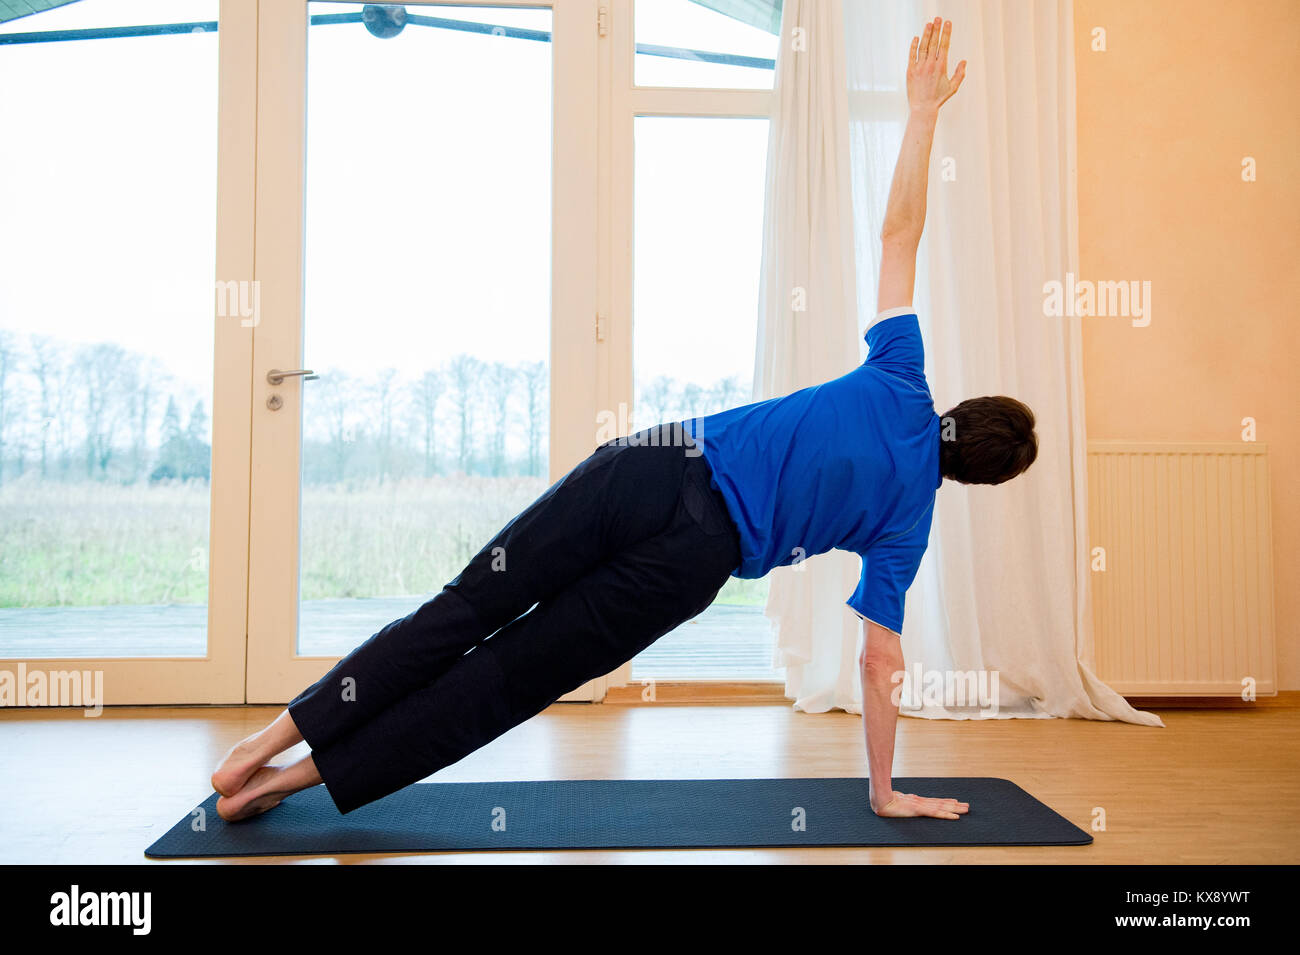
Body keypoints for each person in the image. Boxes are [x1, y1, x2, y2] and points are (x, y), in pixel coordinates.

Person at [212, 18, 1035, 824]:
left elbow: (900, 232)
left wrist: (922, 114)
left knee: (464, 607)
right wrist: (884, 790)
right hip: (693, 558)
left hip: (653, 466)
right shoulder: (909, 522)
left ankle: (262, 742)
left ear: (961, 408)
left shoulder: (901, 373)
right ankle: (279, 785)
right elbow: (880, 660)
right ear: (979, 478)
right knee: (507, 678)